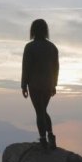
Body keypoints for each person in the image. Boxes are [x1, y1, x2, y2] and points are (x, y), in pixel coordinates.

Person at [21, 19, 59, 150]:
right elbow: (56, 68)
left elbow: (26, 67)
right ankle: (51, 137)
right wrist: (54, 84)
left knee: (40, 112)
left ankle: (43, 140)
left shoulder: (30, 47)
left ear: (33, 31)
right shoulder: (52, 47)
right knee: (43, 111)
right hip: (48, 85)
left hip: (35, 85)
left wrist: (23, 85)